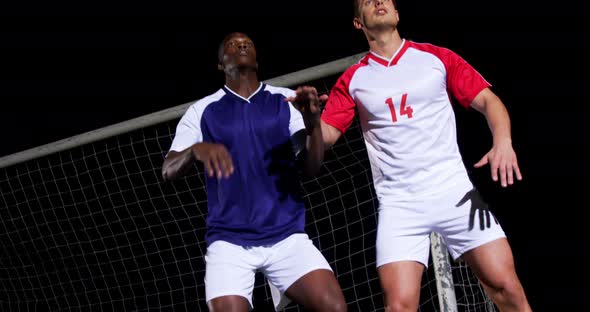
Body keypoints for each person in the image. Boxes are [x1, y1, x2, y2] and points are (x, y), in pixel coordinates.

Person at [288, 1, 532, 311]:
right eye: (367, 0)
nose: (379, 2)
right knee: (400, 306)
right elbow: (323, 144)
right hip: (400, 205)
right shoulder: (353, 80)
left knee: (507, 287)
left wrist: (503, 142)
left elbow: (489, 101)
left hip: (456, 192)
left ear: (397, 13)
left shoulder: (436, 57)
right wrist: (311, 122)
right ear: (357, 23)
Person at [161, 32, 347, 312]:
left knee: (334, 307)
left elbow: (312, 168)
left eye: (247, 43)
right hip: (229, 241)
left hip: (286, 235)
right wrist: (194, 150)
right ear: (221, 65)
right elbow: (168, 170)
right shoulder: (202, 111)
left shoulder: (284, 100)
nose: (241, 45)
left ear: (257, 59)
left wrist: (313, 125)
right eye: (232, 45)